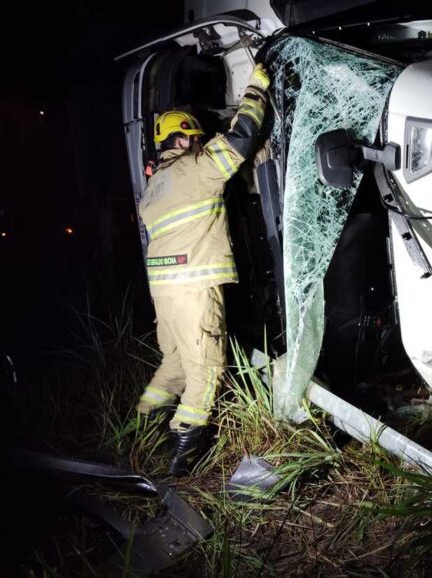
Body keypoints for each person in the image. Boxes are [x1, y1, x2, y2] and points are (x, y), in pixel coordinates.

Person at [136, 63, 270, 476]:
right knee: (206, 371)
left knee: (174, 364)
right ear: (181, 139)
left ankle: (142, 422)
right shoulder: (196, 170)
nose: (200, 144)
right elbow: (241, 137)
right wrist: (257, 88)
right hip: (194, 289)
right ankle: (182, 458)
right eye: (195, 138)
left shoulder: (152, 189)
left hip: (164, 294)